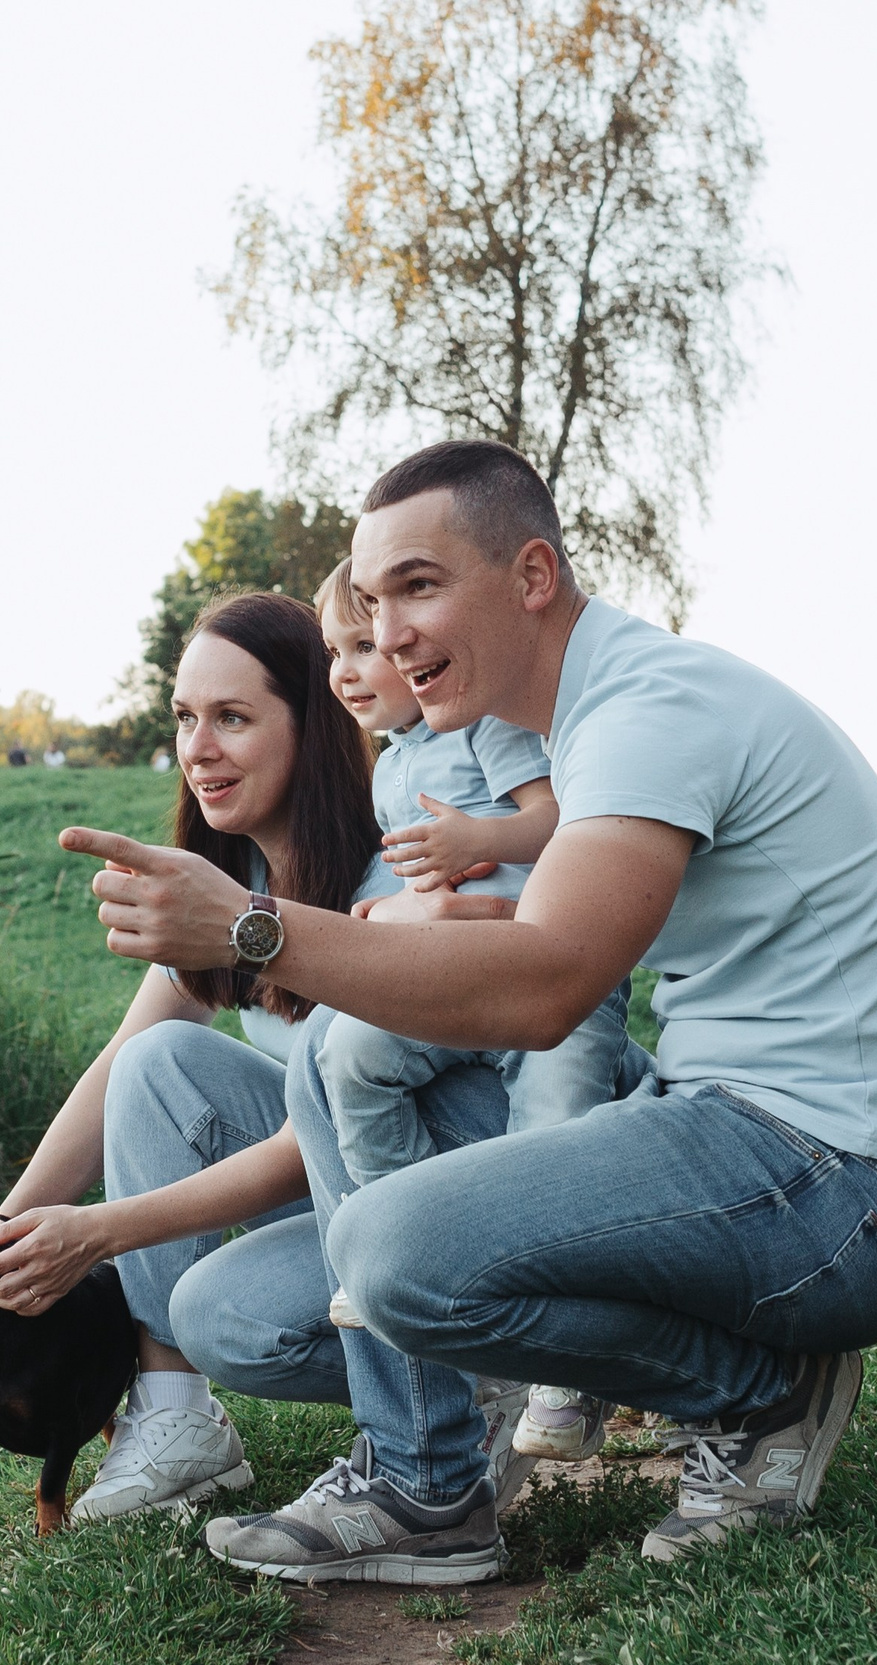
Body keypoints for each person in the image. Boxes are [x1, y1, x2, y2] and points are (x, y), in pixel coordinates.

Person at [0, 438, 877, 1578]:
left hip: (835, 1181)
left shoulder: (646, 710)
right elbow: (522, 952)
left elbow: (551, 989)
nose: (387, 633)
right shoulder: (565, 729)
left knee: (391, 1251)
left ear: (534, 577)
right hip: (742, 1134)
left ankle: (757, 1395)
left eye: (418, 586)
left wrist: (257, 932)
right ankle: (427, 1478)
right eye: (368, 600)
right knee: (253, 1291)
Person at [0, 592, 532, 1534]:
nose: (199, 747)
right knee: (163, 1072)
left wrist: (99, 1230)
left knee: (227, 1313)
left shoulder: (397, 869)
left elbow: (328, 1122)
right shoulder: (236, 882)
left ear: (313, 723)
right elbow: (127, 1061)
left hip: (453, 1186)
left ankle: (480, 1367)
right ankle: (176, 1421)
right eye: (186, 718)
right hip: (353, 1184)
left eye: (233, 718)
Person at [310, 558, 638, 1463]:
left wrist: (476, 838)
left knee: (549, 1139)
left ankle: (566, 1380)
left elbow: (559, 818)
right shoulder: (390, 767)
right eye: (334, 649)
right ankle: (397, 1233)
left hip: (554, 973)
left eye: (363, 646)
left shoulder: (481, 728)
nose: (346, 669)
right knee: (351, 1056)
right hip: (459, 977)